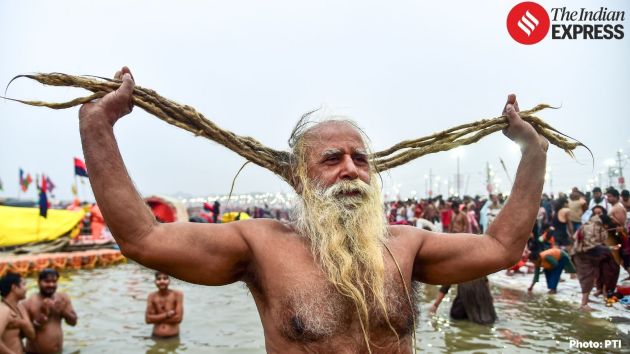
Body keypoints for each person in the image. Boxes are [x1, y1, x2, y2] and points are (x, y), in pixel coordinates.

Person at [77, 67, 548, 352]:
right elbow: (144, 239)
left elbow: (501, 246)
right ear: (299, 177)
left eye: (360, 159)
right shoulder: (260, 245)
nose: (351, 170)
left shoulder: (406, 245)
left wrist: (533, 152)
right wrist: (100, 128)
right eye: (332, 159)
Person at [23, 269, 77, 354]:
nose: (51, 285)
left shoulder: (63, 298)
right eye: (47, 281)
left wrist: (63, 310)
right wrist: (41, 317)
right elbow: (22, 334)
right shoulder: (28, 303)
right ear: (38, 282)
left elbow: (73, 323)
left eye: (54, 281)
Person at [0, 272, 34, 354]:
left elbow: (32, 336)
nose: (26, 288)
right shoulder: (3, 310)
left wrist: (22, 323)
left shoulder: (20, 307)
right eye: (24, 284)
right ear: (14, 287)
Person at [145, 272, 183, 339]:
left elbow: (178, 319)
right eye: (159, 279)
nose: (162, 281)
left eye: (165, 278)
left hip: (173, 338)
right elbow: (148, 319)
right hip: (156, 337)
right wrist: (167, 315)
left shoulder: (177, 295)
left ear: (169, 280)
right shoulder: (152, 296)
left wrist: (155, 318)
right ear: (155, 281)